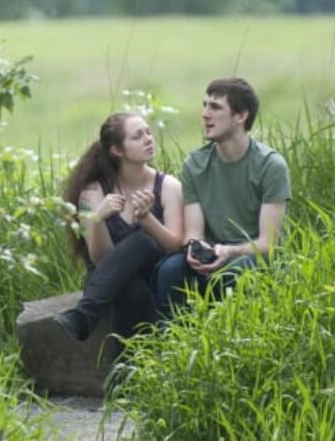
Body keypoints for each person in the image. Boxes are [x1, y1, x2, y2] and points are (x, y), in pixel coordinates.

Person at [155, 77, 290, 316]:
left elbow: (268, 244)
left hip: (254, 257)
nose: (205, 114)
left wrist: (228, 252)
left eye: (215, 107)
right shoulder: (195, 164)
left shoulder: (271, 166)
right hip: (213, 252)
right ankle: (171, 344)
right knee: (170, 270)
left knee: (232, 273)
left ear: (241, 116)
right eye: (204, 105)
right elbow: (194, 233)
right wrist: (197, 251)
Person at [54, 112, 184, 341]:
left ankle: (85, 314)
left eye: (148, 132)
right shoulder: (91, 193)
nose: (148, 139)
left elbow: (176, 246)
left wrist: (147, 220)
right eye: (137, 136)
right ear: (117, 150)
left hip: (153, 273)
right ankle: (123, 376)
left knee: (144, 242)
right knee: (130, 290)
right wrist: (97, 219)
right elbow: (99, 259)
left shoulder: (168, 186)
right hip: (109, 277)